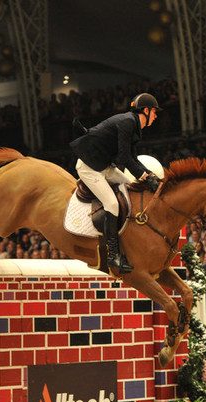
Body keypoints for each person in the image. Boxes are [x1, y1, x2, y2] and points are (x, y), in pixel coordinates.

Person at [70, 93, 162, 273]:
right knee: (112, 203)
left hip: (104, 166)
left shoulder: (133, 125)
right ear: (145, 110)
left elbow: (133, 158)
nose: (156, 116)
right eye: (154, 112)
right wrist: (145, 176)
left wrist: (149, 175)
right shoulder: (128, 122)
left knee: (129, 186)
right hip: (89, 167)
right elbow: (125, 158)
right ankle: (113, 255)